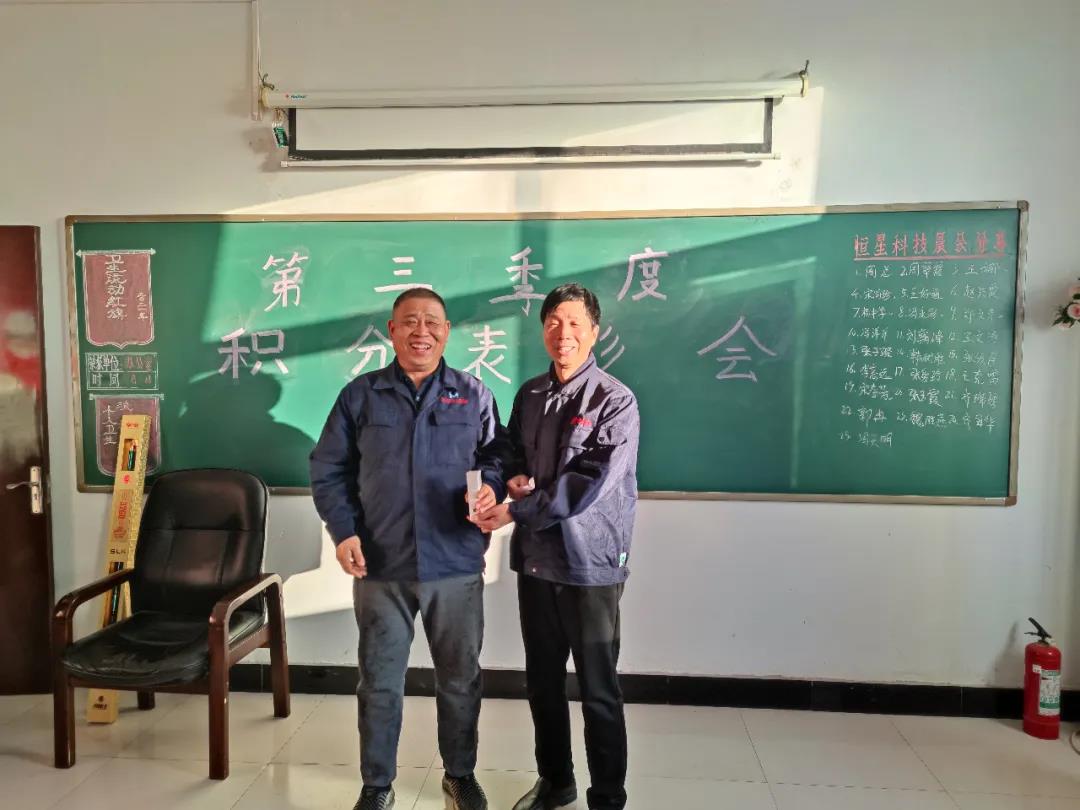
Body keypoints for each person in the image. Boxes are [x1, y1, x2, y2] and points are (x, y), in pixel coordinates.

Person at [310, 288, 503, 810]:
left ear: (447, 332)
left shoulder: (473, 394)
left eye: (432, 322)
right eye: (410, 321)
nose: (422, 331)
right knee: (378, 681)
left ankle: (459, 775)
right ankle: (377, 784)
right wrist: (344, 532)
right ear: (392, 331)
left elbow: (497, 459)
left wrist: (492, 488)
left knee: (460, 678)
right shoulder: (361, 395)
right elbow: (328, 469)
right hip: (381, 562)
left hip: (454, 561)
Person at [470, 283, 640, 810]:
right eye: (552, 322)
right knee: (542, 682)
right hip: (538, 560)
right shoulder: (530, 395)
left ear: (594, 332)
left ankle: (607, 796)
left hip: (589, 564)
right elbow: (509, 452)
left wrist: (516, 509)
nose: (562, 333)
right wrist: (507, 480)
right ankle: (556, 781)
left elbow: (588, 484)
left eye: (574, 323)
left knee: (598, 688)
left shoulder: (615, 400)